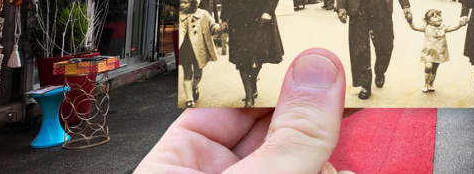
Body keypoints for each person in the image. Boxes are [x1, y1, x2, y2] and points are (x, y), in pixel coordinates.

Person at [135, 48, 353, 174]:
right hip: (242, 22)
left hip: (263, 19)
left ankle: (254, 87)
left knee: (259, 62)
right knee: (243, 64)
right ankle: (250, 91)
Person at [178, 0, 222, 107]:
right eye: (181, 2)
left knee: (198, 72)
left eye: (185, 2)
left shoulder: (203, 14)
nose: (182, 5)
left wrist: (220, 28)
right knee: (187, 72)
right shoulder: (180, 15)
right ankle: (189, 98)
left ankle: (194, 86)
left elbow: (213, 26)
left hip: (198, 49)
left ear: (194, 2)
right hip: (185, 48)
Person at [407, 8, 466, 92]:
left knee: (434, 69)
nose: (438, 18)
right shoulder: (426, 27)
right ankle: (426, 83)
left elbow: (453, 28)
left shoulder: (444, 27)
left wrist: (460, 24)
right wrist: (410, 21)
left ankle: (431, 84)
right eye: (435, 17)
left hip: (439, 52)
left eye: (439, 16)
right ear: (429, 21)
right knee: (428, 66)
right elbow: (415, 27)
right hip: (429, 52)